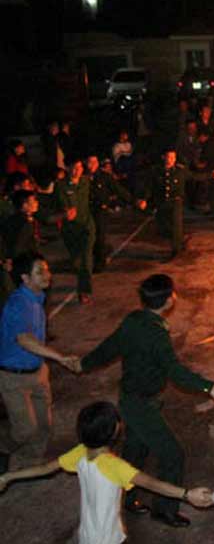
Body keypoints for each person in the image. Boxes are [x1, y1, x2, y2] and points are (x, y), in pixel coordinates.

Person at [74, 274, 214, 527]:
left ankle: (126, 499)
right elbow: (175, 371)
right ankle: (165, 510)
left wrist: (82, 363)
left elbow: (109, 347)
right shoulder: (157, 335)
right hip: (139, 404)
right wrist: (211, 388)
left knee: (135, 451)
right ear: (169, 300)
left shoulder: (133, 320)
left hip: (132, 399)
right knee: (173, 455)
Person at [0, 401, 211, 544]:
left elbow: (45, 468)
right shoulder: (114, 466)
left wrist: (8, 476)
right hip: (106, 539)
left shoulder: (80, 452)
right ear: (114, 432)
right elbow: (153, 484)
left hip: (87, 534)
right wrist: (186, 494)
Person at [0, 254, 78, 473]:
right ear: (25, 278)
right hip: (13, 377)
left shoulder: (38, 296)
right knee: (25, 430)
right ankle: (4, 447)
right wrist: (60, 357)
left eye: (46, 269)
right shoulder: (19, 303)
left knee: (44, 425)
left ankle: (29, 464)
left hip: (38, 371)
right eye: (40, 272)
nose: (47, 275)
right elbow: (24, 339)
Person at [138, 146, 214, 261]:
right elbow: (149, 187)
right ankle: (180, 240)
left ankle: (176, 250)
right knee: (162, 227)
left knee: (176, 226)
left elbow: (194, 177)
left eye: (173, 157)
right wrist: (144, 199)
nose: (171, 160)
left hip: (176, 203)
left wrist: (211, 175)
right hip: (162, 202)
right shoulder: (156, 171)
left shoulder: (180, 171)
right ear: (163, 157)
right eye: (169, 157)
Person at [55, 158, 96, 304]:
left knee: (86, 258)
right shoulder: (60, 185)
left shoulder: (86, 182)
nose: (76, 170)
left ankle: (84, 290)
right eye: (73, 167)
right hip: (70, 229)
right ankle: (82, 281)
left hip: (86, 226)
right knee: (77, 261)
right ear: (67, 168)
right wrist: (63, 212)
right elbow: (56, 203)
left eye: (79, 167)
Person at [86, 154, 131, 272]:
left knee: (100, 236)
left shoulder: (104, 177)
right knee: (89, 237)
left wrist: (133, 200)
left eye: (94, 162)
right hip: (87, 211)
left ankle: (100, 262)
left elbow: (118, 189)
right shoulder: (83, 177)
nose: (91, 165)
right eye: (89, 162)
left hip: (100, 211)